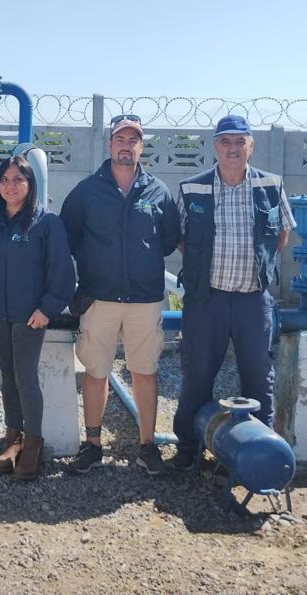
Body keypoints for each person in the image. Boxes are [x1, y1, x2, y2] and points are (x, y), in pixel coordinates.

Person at [171, 114, 295, 470]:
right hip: (205, 300)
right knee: (197, 375)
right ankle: (188, 449)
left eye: (240, 142)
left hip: (252, 300)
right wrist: (202, 266)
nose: (233, 149)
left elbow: (282, 234)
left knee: (258, 376)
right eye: (225, 142)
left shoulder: (271, 186)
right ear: (215, 147)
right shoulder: (192, 188)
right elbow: (180, 237)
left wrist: (259, 265)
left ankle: (262, 452)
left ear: (251, 147)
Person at [59, 114, 181, 476]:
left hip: (144, 300)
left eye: (133, 140)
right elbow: (68, 234)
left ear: (141, 146)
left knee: (145, 371)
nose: (126, 146)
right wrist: (96, 264)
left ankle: (147, 446)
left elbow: (168, 240)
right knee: (96, 371)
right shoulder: (87, 191)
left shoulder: (158, 191)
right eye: (120, 139)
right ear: (110, 143)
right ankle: (92, 445)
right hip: (99, 298)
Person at [0, 155, 75, 480]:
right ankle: (13, 438)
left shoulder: (46, 223)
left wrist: (47, 308)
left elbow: (62, 272)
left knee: (25, 377)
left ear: (31, 184)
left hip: (30, 316)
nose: (11, 185)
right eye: (5, 179)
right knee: (8, 375)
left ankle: (33, 444)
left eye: (18, 179)